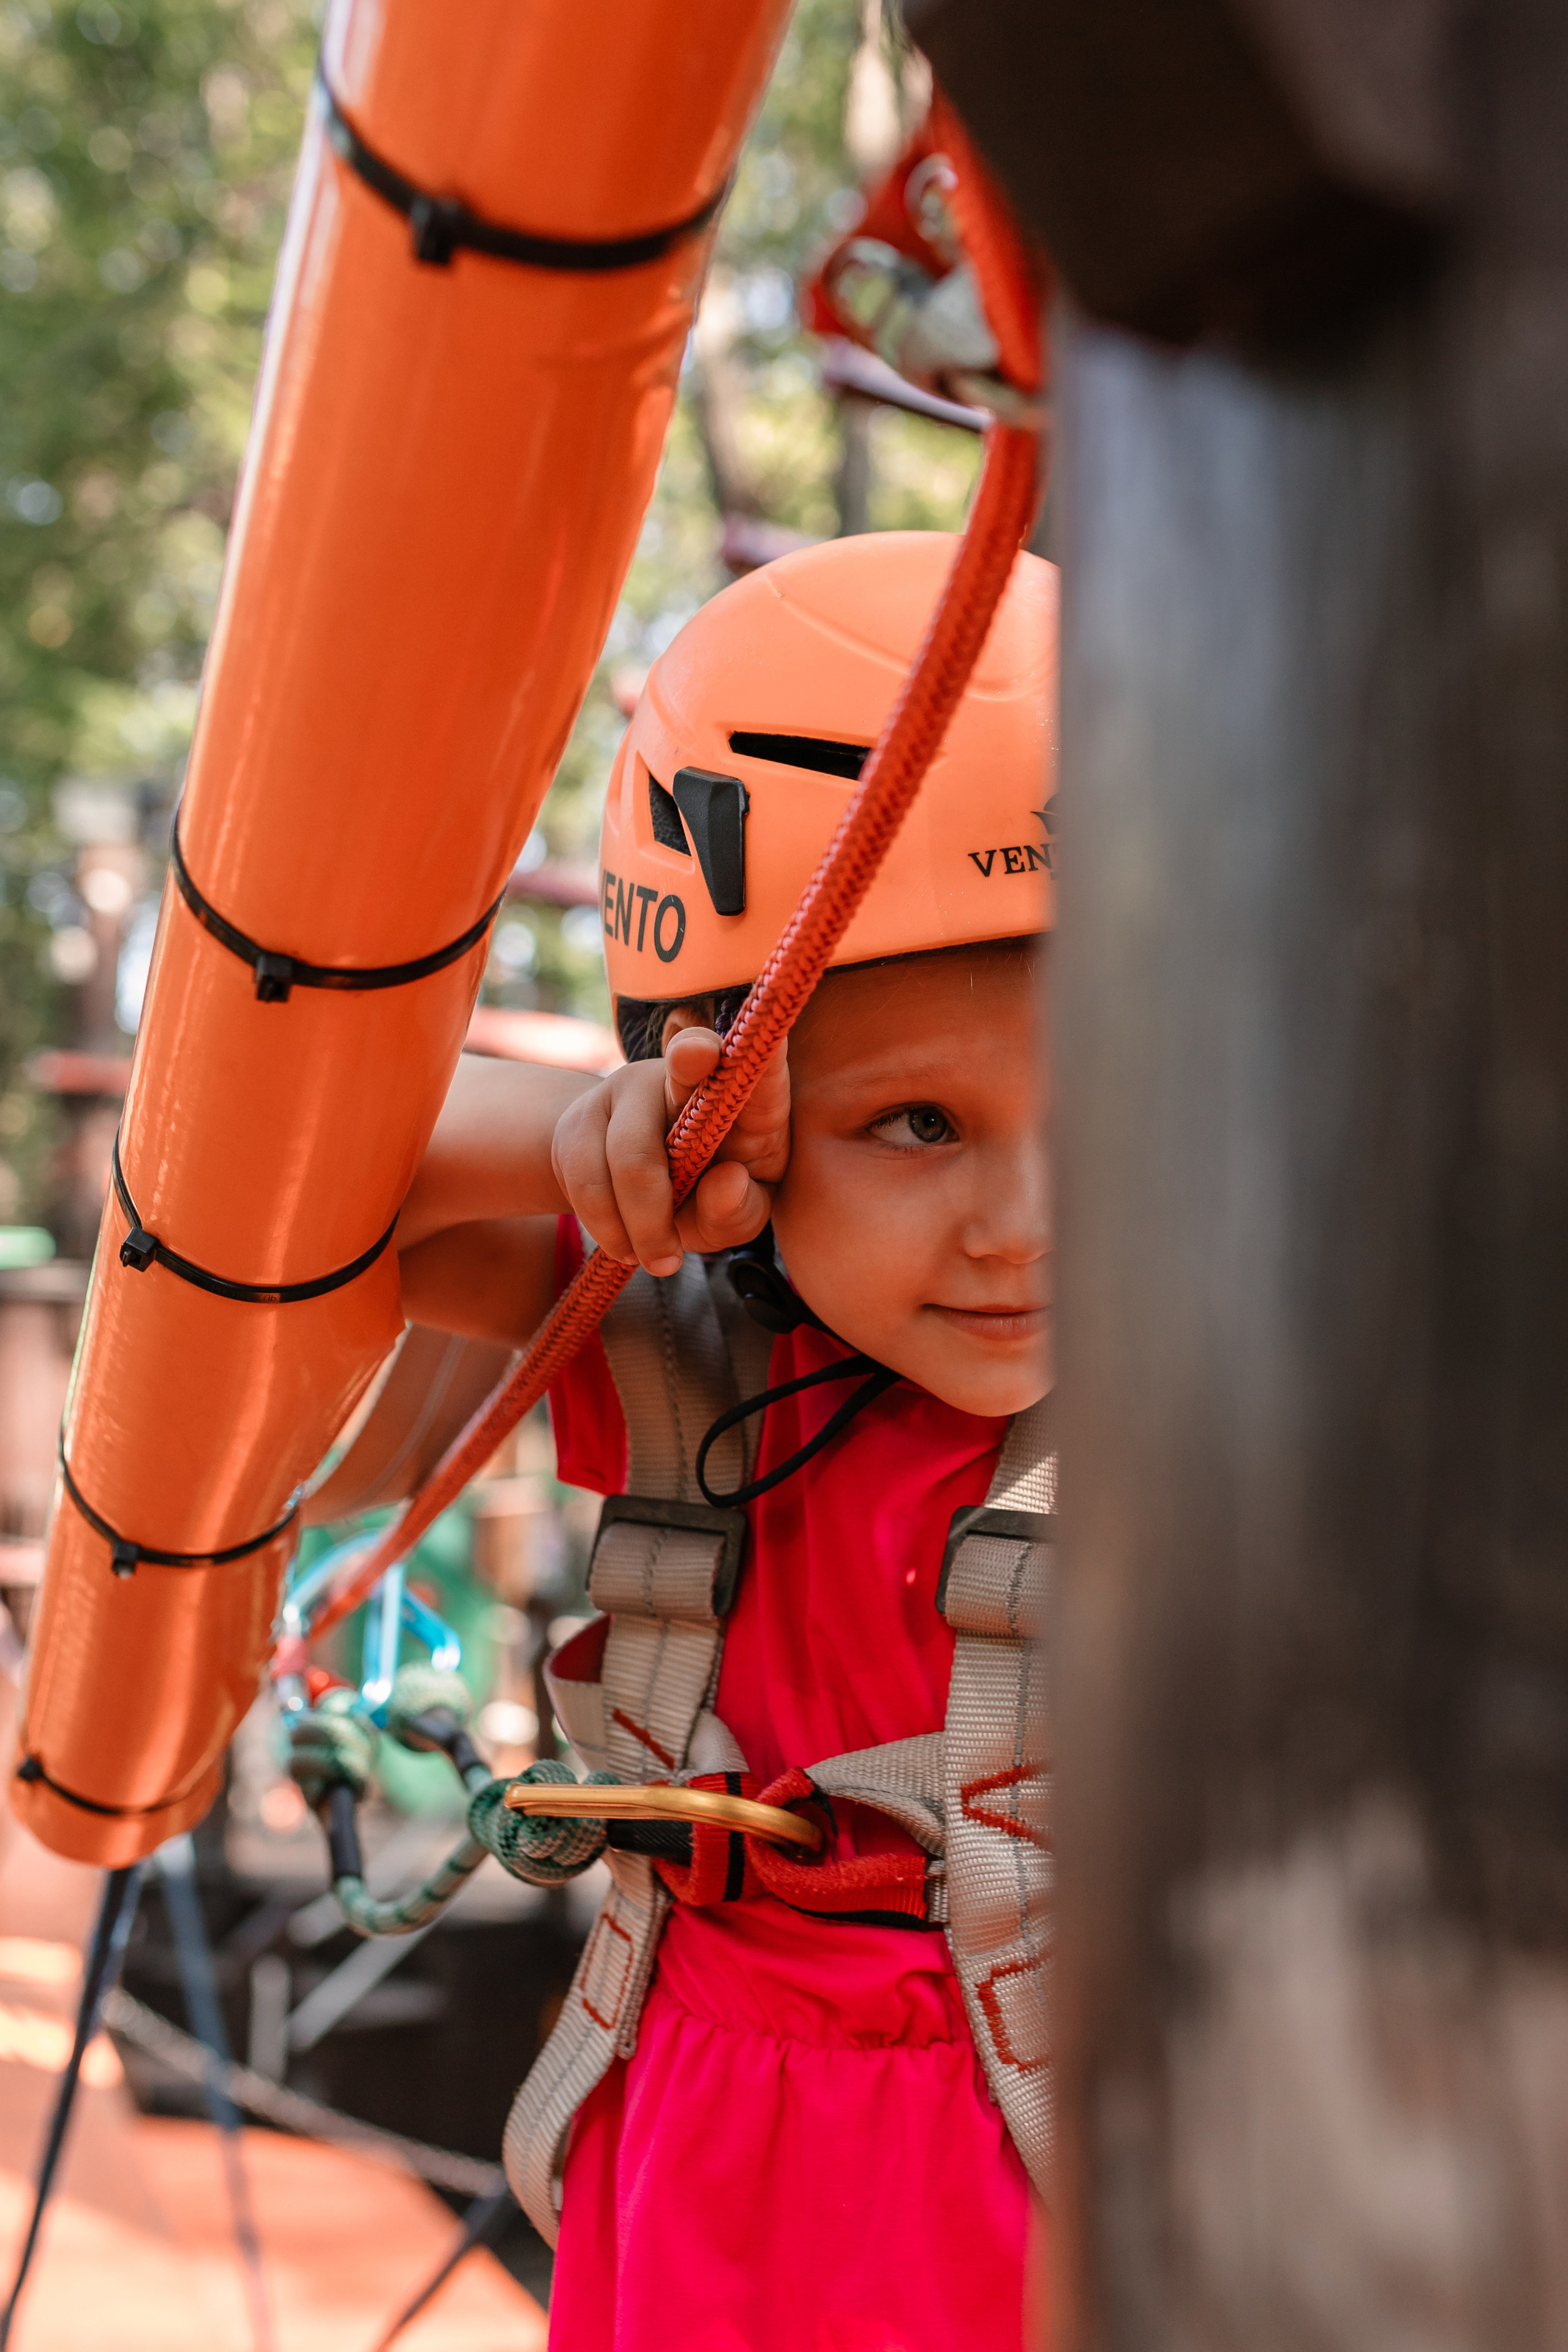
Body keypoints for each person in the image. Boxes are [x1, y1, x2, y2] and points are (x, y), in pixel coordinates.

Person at [396, 529, 1055, 2351]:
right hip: (699, 2175)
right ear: (731, 1129)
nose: (1027, 1228)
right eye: (916, 1124)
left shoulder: (1252, 1397)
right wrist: (589, 1139)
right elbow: (270, 1193)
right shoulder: (684, 1348)